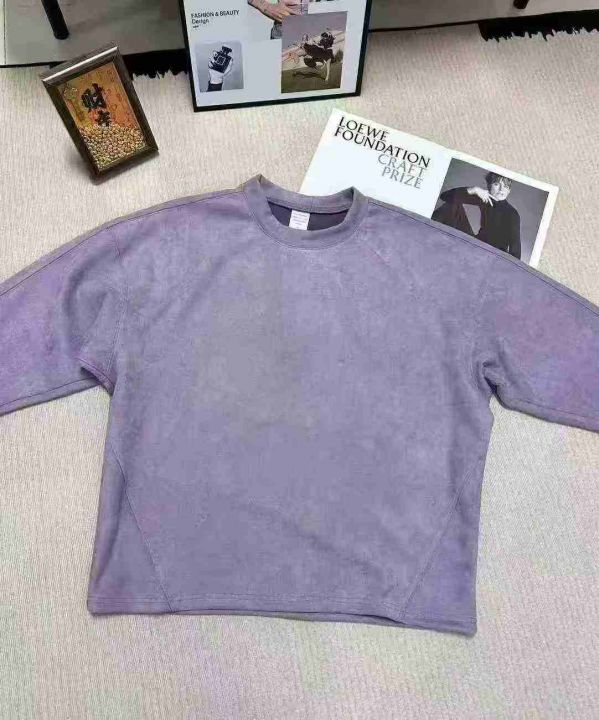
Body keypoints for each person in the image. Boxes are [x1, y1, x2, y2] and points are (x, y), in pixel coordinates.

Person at [432, 172, 522, 259]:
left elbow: (516, 253)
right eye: (496, 184)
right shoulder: (484, 199)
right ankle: (431, 237)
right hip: (475, 244)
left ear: (509, 191)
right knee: (451, 205)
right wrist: (474, 190)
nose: (501, 190)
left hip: (490, 257)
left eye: (506, 186)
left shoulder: (512, 214)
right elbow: (445, 196)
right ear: (488, 185)